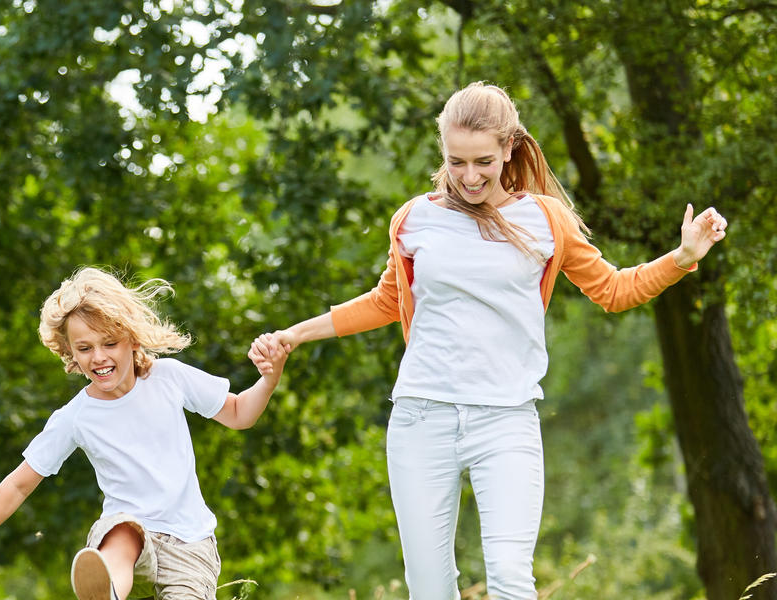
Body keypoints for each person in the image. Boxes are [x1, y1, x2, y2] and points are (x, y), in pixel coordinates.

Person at [262, 82, 728, 600]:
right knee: (430, 590)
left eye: (482, 160)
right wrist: (295, 334)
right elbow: (387, 300)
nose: (469, 176)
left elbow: (614, 290)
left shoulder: (547, 219)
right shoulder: (414, 219)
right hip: (422, 418)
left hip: (506, 420)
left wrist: (682, 258)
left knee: (511, 581)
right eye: (455, 162)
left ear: (509, 148)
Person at [0, 267, 289, 600]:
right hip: (129, 538)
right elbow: (18, 484)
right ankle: (109, 591)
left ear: (132, 340)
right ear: (70, 353)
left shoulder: (169, 378)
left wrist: (269, 379)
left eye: (109, 343)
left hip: (190, 542)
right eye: (84, 349)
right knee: (121, 531)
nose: (98, 357)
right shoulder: (76, 416)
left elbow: (240, 414)